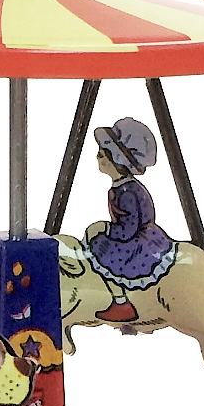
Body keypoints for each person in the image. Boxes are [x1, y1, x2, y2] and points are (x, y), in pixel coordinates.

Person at [84, 117, 177, 321]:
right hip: (131, 235)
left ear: (116, 161)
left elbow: (128, 229)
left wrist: (105, 229)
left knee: (104, 253)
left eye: (102, 154)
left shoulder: (127, 192)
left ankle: (121, 302)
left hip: (138, 240)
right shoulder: (119, 187)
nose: (97, 157)